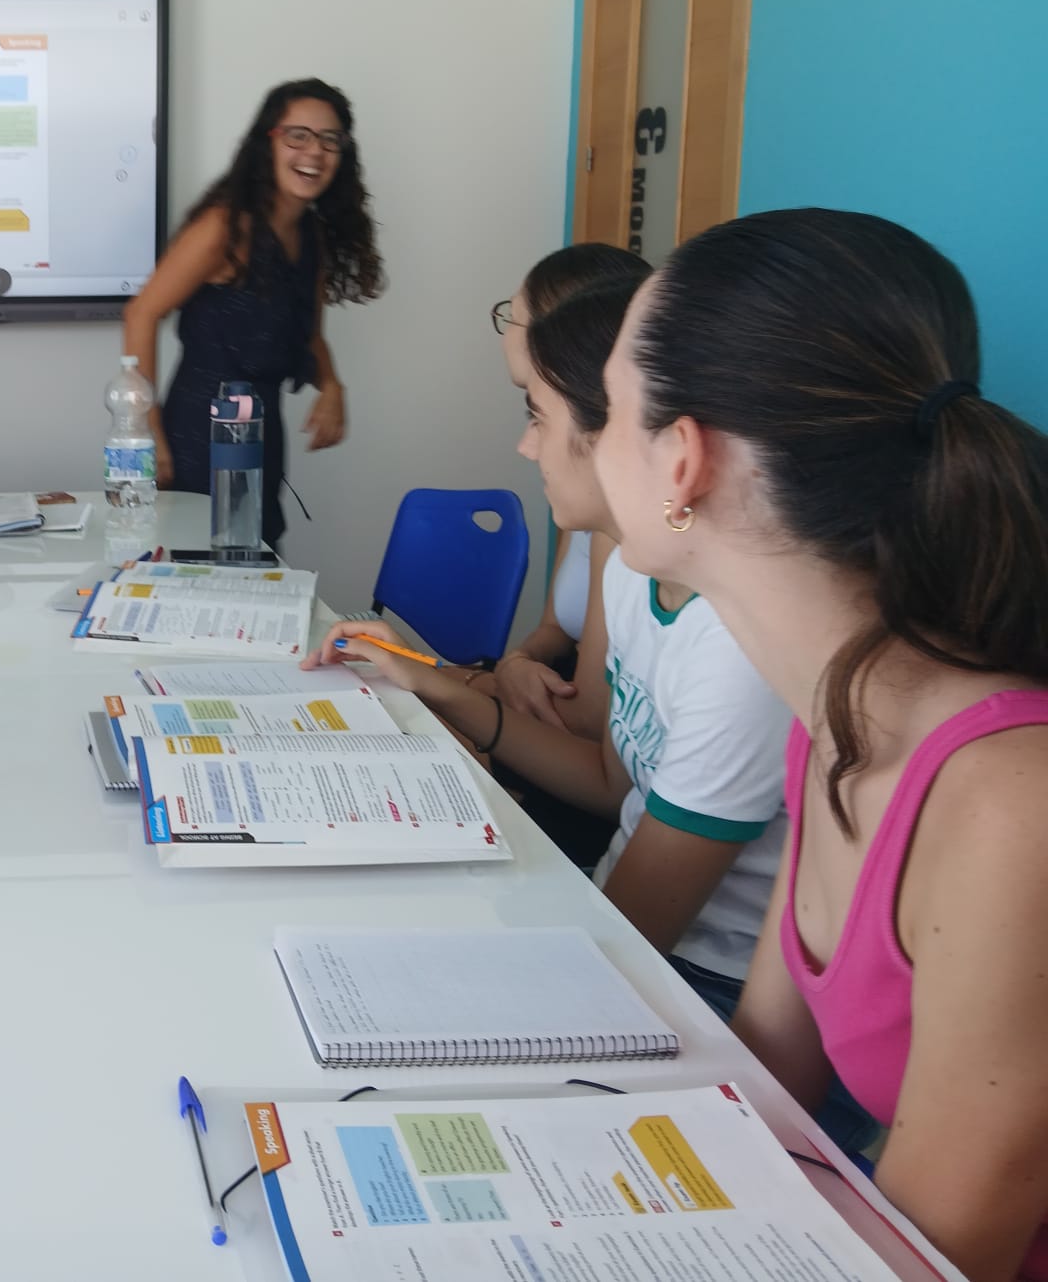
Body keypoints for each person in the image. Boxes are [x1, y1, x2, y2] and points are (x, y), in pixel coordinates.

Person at [596, 209, 1048, 1281]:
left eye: (609, 410)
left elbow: (937, 1258)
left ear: (683, 460)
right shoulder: (838, 723)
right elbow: (765, 1081)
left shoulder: (1009, 807)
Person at [311, 277, 791, 1011]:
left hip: (694, 984)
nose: (525, 444)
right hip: (611, 920)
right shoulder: (637, 569)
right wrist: (432, 678)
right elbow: (609, 783)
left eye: (538, 416)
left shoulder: (739, 645)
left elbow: (627, 946)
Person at [121, 79, 383, 551]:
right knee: (198, 580)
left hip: (261, 441)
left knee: (253, 574)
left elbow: (309, 332)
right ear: (268, 142)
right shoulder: (225, 226)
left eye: (330, 140)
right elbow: (141, 314)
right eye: (297, 135)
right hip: (196, 439)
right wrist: (147, 430)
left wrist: (332, 386)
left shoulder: (310, 236)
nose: (315, 151)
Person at [475, 243, 651, 867]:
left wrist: (476, 687)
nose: (527, 445)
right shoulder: (580, 495)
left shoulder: (635, 545)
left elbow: (604, 765)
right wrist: (516, 663)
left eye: (514, 314)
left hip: (574, 760)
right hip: (555, 714)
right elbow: (555, 627)